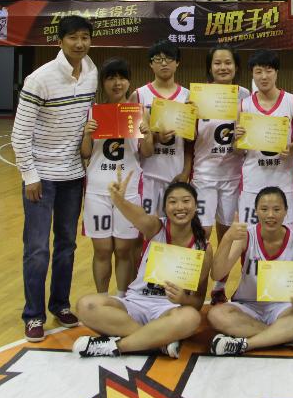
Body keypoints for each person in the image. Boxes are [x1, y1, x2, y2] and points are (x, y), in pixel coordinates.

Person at [11, 15, 97, 342]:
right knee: (36, 248)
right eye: (73, 37)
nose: (79, 43)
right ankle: (33, 314)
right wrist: (30, 175)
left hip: (73, 176)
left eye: (85, 37)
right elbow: (20, 134)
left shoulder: (91, 73)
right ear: (60, 41)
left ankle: (59, 304)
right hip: (42, 178)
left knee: (66, 245)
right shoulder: (39, 79)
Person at [72, 179, 211, 359]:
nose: (180, 207)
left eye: (186, 201)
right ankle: (158, 341)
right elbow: (138, 215)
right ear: (165, 207)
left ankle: (117, 346)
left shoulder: (203, 247)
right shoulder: (156, 227)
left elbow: (198, 301)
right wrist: (119, 200)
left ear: (196, 205)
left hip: (169, 311)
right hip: (135, 304)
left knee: (191, 318)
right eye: (172, 202)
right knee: (85, 305)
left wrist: (183, 299)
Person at [208, 187, 293, 355]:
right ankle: (286, 336)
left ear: (286, 211)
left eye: (276, 209)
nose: (270, 215)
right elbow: (217, 274)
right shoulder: (246, 237)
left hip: (282, 308)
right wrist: (227, 238)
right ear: (256, 211)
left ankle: (246, 343)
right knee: (216, 314)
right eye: (264, 209)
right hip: (248, 306)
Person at [80, 58, 154, 295]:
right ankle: (102, 298)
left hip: (128, 191)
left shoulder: (139, 112)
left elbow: (147, 153)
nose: (117, 83)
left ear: (129, 82)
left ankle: (122, 298)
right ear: (103, 83)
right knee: (102, 249)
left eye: (122, 78)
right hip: (98, 189)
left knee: (124, 249)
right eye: (111, 78)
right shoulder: (93, 112)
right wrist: (87, 134)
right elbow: (85, 153)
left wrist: (146, 135)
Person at [187, 47, 250, 304]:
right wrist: (188, 116)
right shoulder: (197, 96)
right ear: (210, 67)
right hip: (203, 176)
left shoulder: (245, 96)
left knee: (228, 235)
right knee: (200, 234)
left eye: (228, 63)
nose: (223, 67)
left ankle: (219, 287)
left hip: (233, 177)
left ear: (236, 67)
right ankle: (194, 288)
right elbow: (188, 138)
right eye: (217, 63)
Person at [235, 50, 293, 229]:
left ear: (276, 72)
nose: (264, 76)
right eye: (258, 71)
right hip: (253, 181)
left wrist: (292, 148)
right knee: (249, 235)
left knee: (284, 235)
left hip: (283, 181)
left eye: (269, 70)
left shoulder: (292, 103)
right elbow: (237, 150)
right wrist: (237, 140)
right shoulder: (243, 106)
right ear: (252, 74)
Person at [133, 40, 191, 217]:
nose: (164, 63)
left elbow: (192, 143)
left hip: (175, 175)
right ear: (150, 64)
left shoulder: (188, 96)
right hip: (146, 174)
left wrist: (186, 172)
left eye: (169, 58)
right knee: (146, 227)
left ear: (177, 62)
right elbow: (131, 140)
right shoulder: (139, 95)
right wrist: (157, 138)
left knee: (174, 227)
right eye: (158, 59)